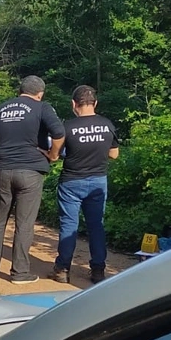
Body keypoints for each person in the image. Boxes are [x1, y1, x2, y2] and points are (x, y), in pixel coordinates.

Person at [0, 75, 65, 283]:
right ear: (40, 93)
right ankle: (19, 273)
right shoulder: (42, 107)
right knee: (24, 223)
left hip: (3, 170)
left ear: (20, 90)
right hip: (31, 172)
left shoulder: (0, 109)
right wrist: (53, 156)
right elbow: (59, 132)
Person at [51, 85, 119, 285]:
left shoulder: (67, 127)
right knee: (96, 226)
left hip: (71, 181)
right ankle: (98, 270)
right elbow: (114, 154)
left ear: (74, 104)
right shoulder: (107, 125)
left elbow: (55, 155)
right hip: (98, 181)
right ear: (95, 103)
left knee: (69, 225)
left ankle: (62, 269)